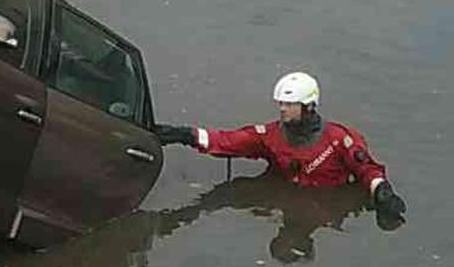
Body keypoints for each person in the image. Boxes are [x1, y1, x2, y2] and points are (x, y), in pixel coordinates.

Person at [151, 70, 407, 229]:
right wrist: (183, 134)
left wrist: (383, 193)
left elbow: (367, 170)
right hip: (293, 195)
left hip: (328, 196)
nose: (282, 108)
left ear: (308, 106)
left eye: (290, 104)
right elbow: (227, 141)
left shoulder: (340, 139)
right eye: (281, 103)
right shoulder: (269, 136)